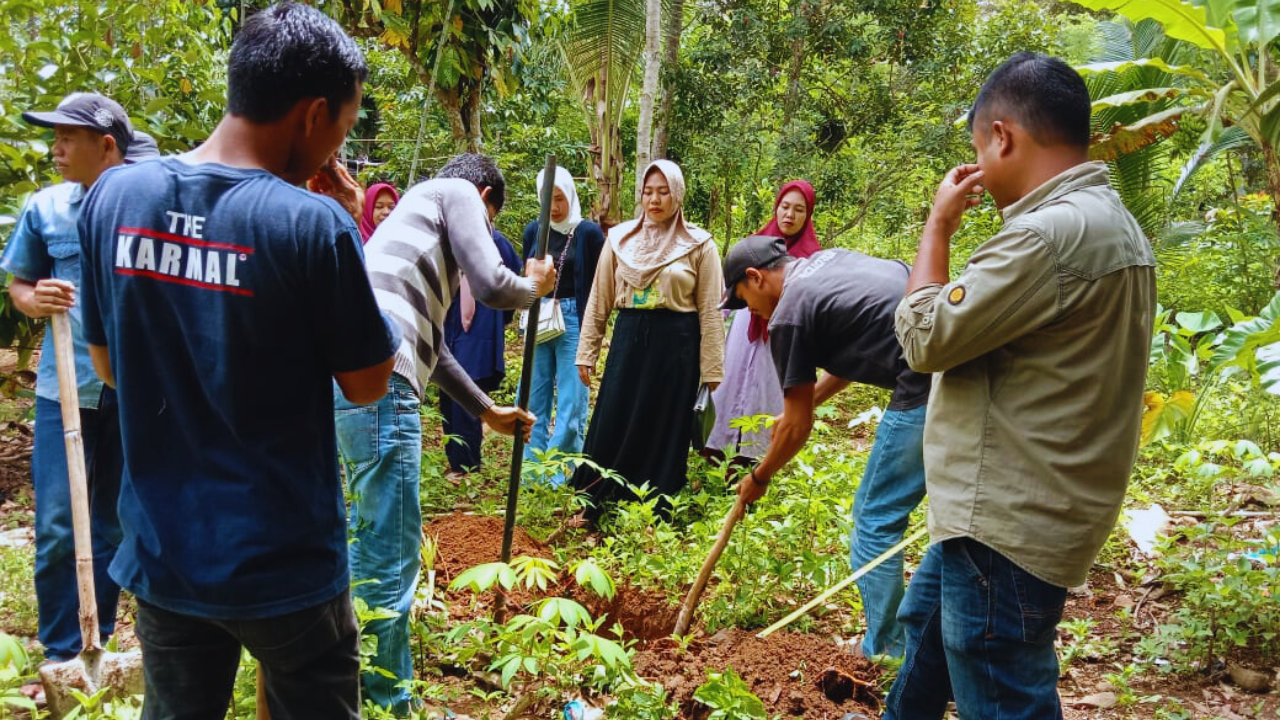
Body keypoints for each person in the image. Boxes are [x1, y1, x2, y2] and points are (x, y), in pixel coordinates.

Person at [76, 5, 398, 718]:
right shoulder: (312, 225)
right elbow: (369, 383)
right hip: (287, 566)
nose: (334, 152)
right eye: (342, 130)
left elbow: (108, 366)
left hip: (165, 554)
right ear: (312, 114)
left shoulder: (115, 198)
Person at [886, 53, 1156, 719]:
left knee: (1003, 687)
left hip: (1005, 522)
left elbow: (925, 338)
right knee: (928, 636)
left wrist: (938, 225)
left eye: (979, 145)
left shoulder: (1045, 237)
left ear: (1001, 137)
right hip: (1032, 506)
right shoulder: (1111, 221)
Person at [334, 153, 554, 714]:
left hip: (356, 384)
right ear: (483, 198)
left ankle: (352, 685)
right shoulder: (453, 193)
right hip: (382, 391)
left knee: (369, 542)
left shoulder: (411, 226)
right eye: (491, 222)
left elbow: (437, 351)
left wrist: (485, 411)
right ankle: (390, 703)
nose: (485, 233)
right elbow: (494, 283)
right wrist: (534, 285)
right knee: (392, 559)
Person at [0, 92, 157, 688]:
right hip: (62, 387)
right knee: (59, 523)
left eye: (68, 138)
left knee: (116, 520)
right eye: (54, 136)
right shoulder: (46, 209)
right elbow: (20, 284)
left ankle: (103, 641)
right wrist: (33, 298)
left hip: (133, 386)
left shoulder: (150, 208)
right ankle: (62, 651)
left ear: (107, 146)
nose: (56, 149)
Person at [724, 236, 930, 659]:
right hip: (958, 363)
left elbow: (798, 429)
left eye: (745, 302)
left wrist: (758, 477)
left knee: (874, 520)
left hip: (925, 385)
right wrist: (805, 402)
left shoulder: (788, 315)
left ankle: (887, 648)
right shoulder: (829, 262)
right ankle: (927, 641)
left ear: (755, 278)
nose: (753, 313)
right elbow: (849, 355)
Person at [571, 159, 724, 518]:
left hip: (677, 347)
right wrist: (587, 351)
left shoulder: (700, 245)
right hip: (629, 342)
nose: (654, 200)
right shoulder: (620, 239)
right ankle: (596, 497)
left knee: (664, 422)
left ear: (678, 194)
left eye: (663, 191)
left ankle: (655, 505)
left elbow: (711, 310)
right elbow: (600, 297)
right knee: (614, 415)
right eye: (648, 191)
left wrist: (712, 368)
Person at [708, 180, 820, 460]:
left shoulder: (813, 258)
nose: (789, 216)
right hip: (745, 332)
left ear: (808, 216)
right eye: (784, 207)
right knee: (729, 388)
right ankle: (716, 451)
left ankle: (755, 459)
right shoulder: (754, 246)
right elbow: (728, 290)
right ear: (776, 207)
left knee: (766, 396)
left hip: (781, 341)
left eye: (798, 210)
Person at [520, 166, 604, 484]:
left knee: (572, 400)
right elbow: (526, 277)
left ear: (570, 194)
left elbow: (598, 287)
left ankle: (559, 477)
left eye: (558, 199)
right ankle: (532, 474)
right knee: (532, 395)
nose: (553, 207)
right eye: (546, 199)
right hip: (539, 318)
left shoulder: (588, 233)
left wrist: (592, 334)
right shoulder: (534, 231)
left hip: (572, 320)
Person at [439, 225, 522, 480]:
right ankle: (455, 459)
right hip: (450, 324)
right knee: (448, 392)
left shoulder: (496, 241)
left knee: (469, 393)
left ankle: (467, 466)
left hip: (480, 327)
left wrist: (499, 318)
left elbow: (511, 280)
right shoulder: (449, 236)